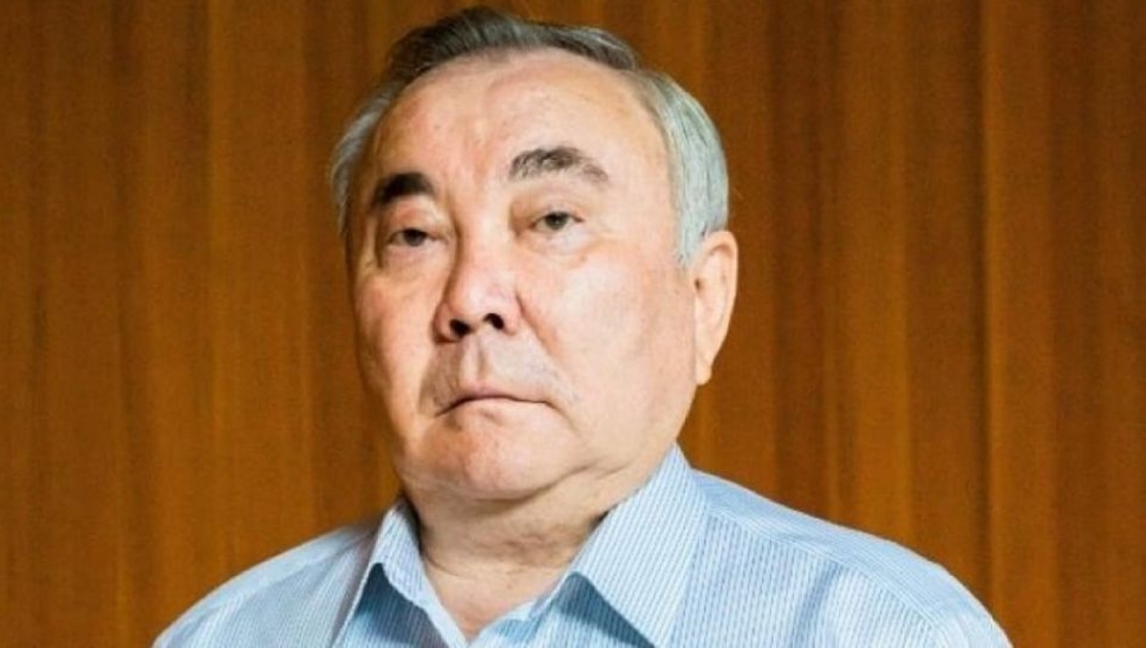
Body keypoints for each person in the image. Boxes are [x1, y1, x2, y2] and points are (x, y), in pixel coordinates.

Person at [156, 7, 1009, 647]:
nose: (472, 296)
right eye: (415, 236)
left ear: (704, 298)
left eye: (553, 220)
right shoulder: (226, 636)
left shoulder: (883, 630)